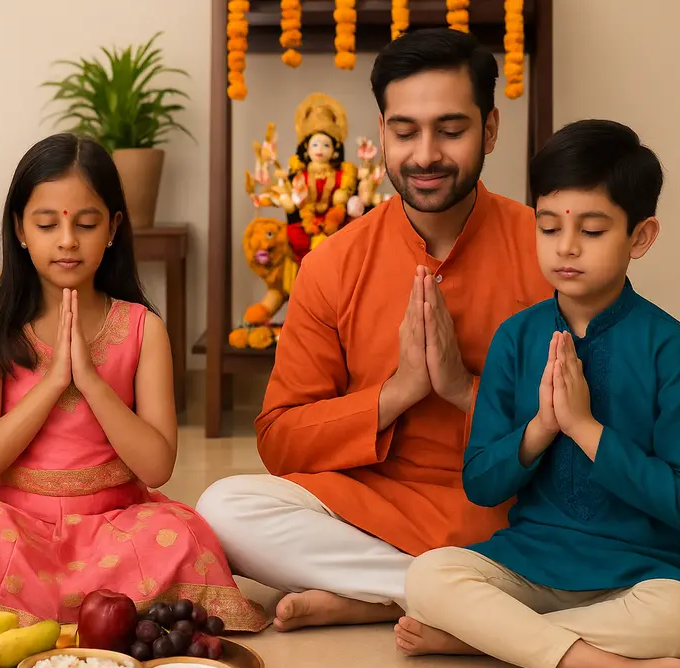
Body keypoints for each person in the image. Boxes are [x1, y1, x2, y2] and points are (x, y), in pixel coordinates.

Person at [195, 28, 552, 632]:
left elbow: (588, 430)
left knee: (605, 531)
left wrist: (464, 389)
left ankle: (386, 596)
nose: (425, 154)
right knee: (223, 508)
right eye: (405, 130)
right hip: (377, 506)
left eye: (452, 129)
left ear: (490, 129)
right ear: (381, 130)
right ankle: (447, 595)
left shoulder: (546, 250)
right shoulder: (335, 261)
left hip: (512, 510)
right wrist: (399, 392)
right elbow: (281, 440)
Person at [398, 119, 680, 668]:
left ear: (640, 238)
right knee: (428, 576)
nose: (565, 247)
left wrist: (586, 429)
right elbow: (481, 484)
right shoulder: (516, 338)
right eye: (548, 227)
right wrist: (542, 427)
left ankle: (487, 639)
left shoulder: (672, 347)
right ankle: (606, 666)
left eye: (592, 230)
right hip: (530, 563)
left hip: (639, 573)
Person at [0, 133, 269, 641]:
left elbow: (156, 466)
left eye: (85, 224)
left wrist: (90, 381)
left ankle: (76, 616)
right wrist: (53, 383)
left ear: (113, 229)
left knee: (181, 537)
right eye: (47, 223)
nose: (67, 240)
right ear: (20, 228)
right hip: (20, 525)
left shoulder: (142, 328)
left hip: (116, 521)